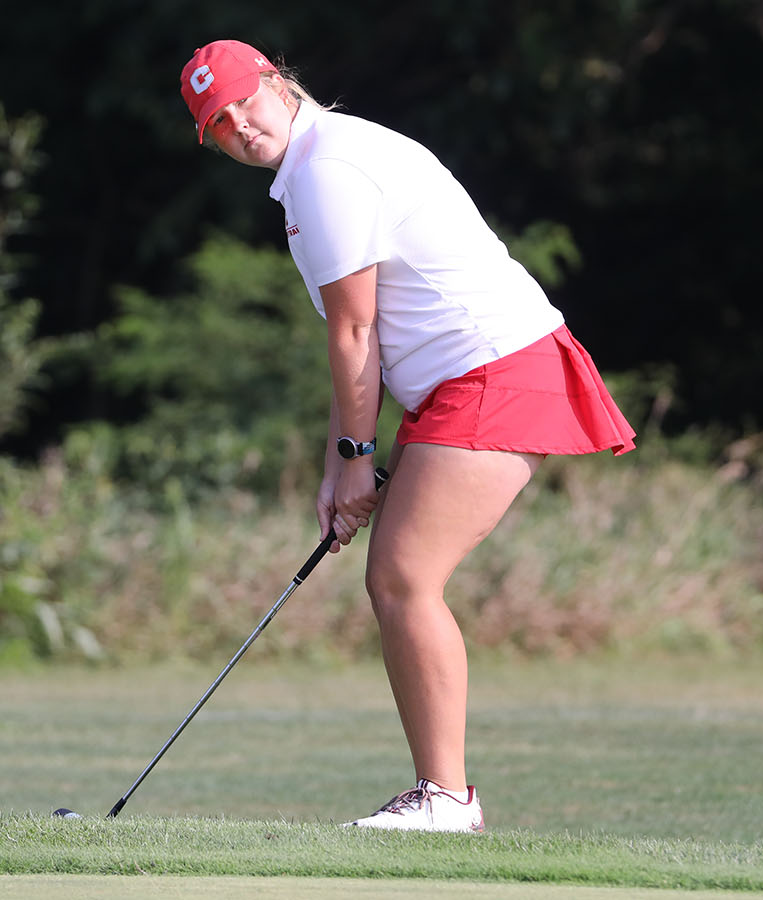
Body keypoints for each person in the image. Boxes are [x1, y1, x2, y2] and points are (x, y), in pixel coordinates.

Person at [178, 39, 636, 833]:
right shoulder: (319, 167)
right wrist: (339, 470)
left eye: (246, 101)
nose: (240, 126)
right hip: (463, 378)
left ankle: (446, 800)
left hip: (494, 367)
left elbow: (356, 336)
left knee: (401, 575)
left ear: (280, 84)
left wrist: (359, 463)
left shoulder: (330, 169)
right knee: (397, 577)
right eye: (218, 123)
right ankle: (442, 797)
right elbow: (363, 343)